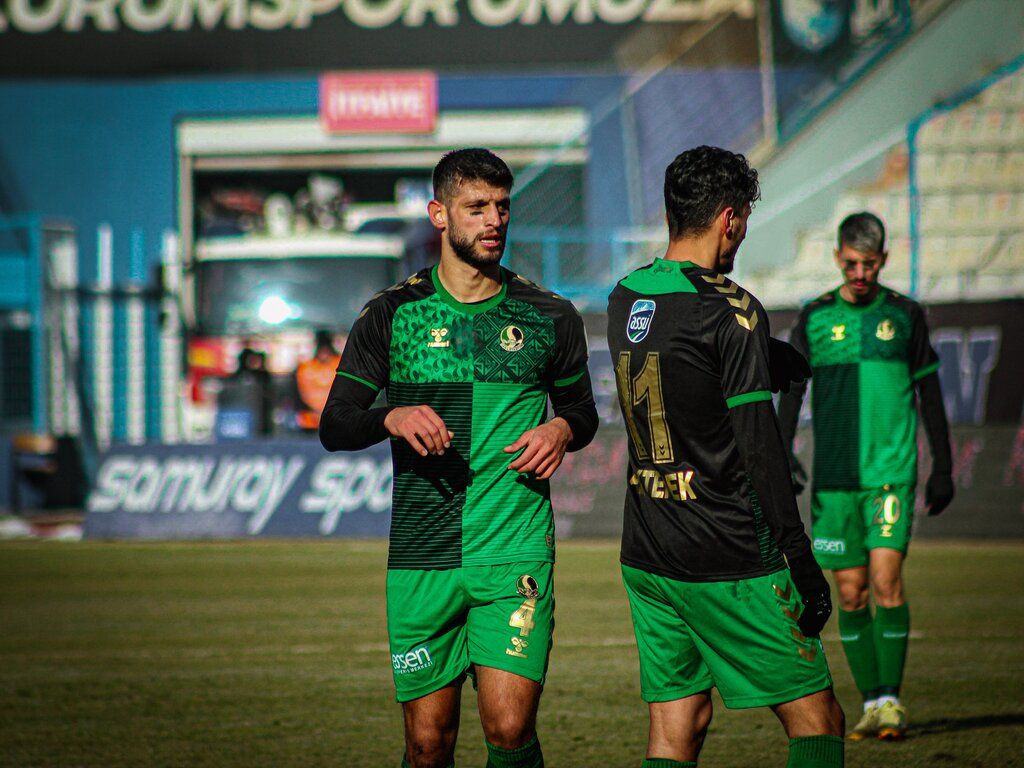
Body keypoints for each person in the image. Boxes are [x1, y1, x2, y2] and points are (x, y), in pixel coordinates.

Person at [319, 148, 598, 768]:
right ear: (439, 214)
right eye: (477, 208)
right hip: (424, 554)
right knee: (427, 744)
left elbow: (584, 414)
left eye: (502, 206)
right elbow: (335, 424)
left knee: (508, 727)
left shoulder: (549, 315)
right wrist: (390, 415)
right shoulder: (392, 314)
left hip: (513, 550)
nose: (494, 220)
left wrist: (560, 429)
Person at [607, 146, 845, 768]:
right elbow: (761, 450)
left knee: (676, 727)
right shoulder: (732, 308)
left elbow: (680, 355)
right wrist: (799, 556)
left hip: (650, 549)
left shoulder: (625, 296)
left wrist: (761, 351)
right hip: (727, 554)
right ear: (731, 219)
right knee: (818, 722)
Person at [777, 211, 954, 741]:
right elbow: (791, 390)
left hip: (888, 476)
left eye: (869, 265)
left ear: (883, 261)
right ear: (838, 258)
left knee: (885, 580)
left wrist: (942, 465)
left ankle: (893, 701)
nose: (860, 273)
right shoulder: (813, 318)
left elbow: (930, 392)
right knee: (851, 594)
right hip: (833, 480)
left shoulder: (905, 315)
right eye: (852, 264)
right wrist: (782, 453)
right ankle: (874, 702)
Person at [294, 330, 342, 431]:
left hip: (336, 418)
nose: (324, 354)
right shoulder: (306, 367)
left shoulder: (340, 364)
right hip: (310, 420)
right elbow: (299, 392)